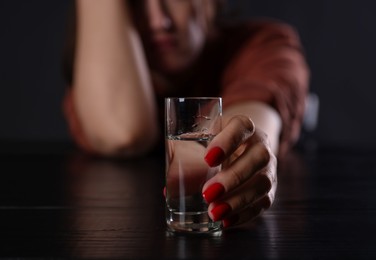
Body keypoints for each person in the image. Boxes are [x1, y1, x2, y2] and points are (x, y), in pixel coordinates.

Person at [62, 0, 309, 228]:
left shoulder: (260, 45)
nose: (160, 22)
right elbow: (125, 134)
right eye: (134, 2)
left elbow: (249, 124)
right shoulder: (95, 76)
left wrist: (242, 144)